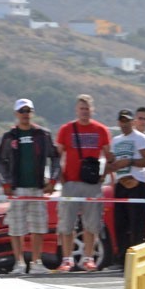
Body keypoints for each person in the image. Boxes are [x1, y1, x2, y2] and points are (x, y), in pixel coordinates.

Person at [0, 98, 60, 274]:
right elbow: (0, 161)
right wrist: (6, 183)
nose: (25, 114)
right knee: (16, 227)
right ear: (16, 114)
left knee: (38, 226)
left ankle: (36, 262)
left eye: (28, 111)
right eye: (22, 111)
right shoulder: (10, 136)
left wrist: (53, 181)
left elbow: (55, 157)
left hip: (38, 187)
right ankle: (19, 263)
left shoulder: (43, 134)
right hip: (17, 188)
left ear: (32, 113)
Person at [54, 94, 112, 271]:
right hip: (71, 182)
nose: (84, 112)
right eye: (81, 109)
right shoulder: (66, 129)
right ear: (76, 110)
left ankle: (88, 258)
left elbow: (108, 156)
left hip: (92, 184)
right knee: (67, 223)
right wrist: (61, 178)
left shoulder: (101, 130)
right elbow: (58, 155)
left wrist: (103, 176)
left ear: (92, 110)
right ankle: (67, 259)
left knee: (92, 224)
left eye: (87, 109)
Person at [106, 108, 145, 257]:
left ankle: (141, 257)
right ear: (118, 122)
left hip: (137, 184)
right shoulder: (116, 140)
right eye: (122, 120)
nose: (124, 124)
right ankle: (123, 258)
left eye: (127, 120)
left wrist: (131, 161)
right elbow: (112, 163)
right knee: (120, 224)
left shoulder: (140, 138)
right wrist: (108, 169)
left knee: (137, 224)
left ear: (132, 122)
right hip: (121, 184)